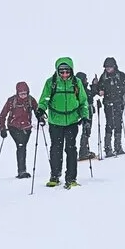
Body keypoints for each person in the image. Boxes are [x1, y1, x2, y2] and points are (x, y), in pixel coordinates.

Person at [36, 57, 90, 188]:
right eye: (62, 72)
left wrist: (85, 117)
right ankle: (55, 175)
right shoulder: (51, 83)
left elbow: (83, 102)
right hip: (55, 121)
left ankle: (71, 178)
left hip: (72, 121)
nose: (65, 75)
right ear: (58, 71)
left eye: (67, 72)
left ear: (71, 70)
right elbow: (45, 98)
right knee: (56, 149)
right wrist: (40, 109)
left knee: (71, 150)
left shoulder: (77, 83)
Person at [90, 57, 125, 156]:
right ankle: (108, 148)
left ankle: (118, 147)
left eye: (109, 67)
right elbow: (98, 89)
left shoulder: (120, 75)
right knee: (110, 123)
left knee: (118, 123)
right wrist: (97, 88)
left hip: (118, 103)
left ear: (114, 66)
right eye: (106, 67)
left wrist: (119, 90)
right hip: (108, 103)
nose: (108, 69)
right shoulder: (103, 77)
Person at [0, 81, 38, 179]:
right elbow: (3, 115)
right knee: (21, 146)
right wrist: (2, 128)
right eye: (21, 94)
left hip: (26, 128)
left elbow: (37, 110)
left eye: (25, 93)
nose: (23, 96)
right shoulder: (11, 101)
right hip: (13, 127)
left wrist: (41, 118)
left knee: (22, 146)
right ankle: (22, 171)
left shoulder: (31, 100)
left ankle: (22, 170)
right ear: (17, 93)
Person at [74, 71, 98, 160]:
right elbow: (90, 95)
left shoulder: (78, 88)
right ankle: (83, 151)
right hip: (86, 111)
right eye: (85, 79)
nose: (86, 80)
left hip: (84, 111)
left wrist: (94, 84)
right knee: (86, 130)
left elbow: (91, 94)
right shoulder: (81, 89)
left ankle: (84, 150)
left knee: (86, 130)